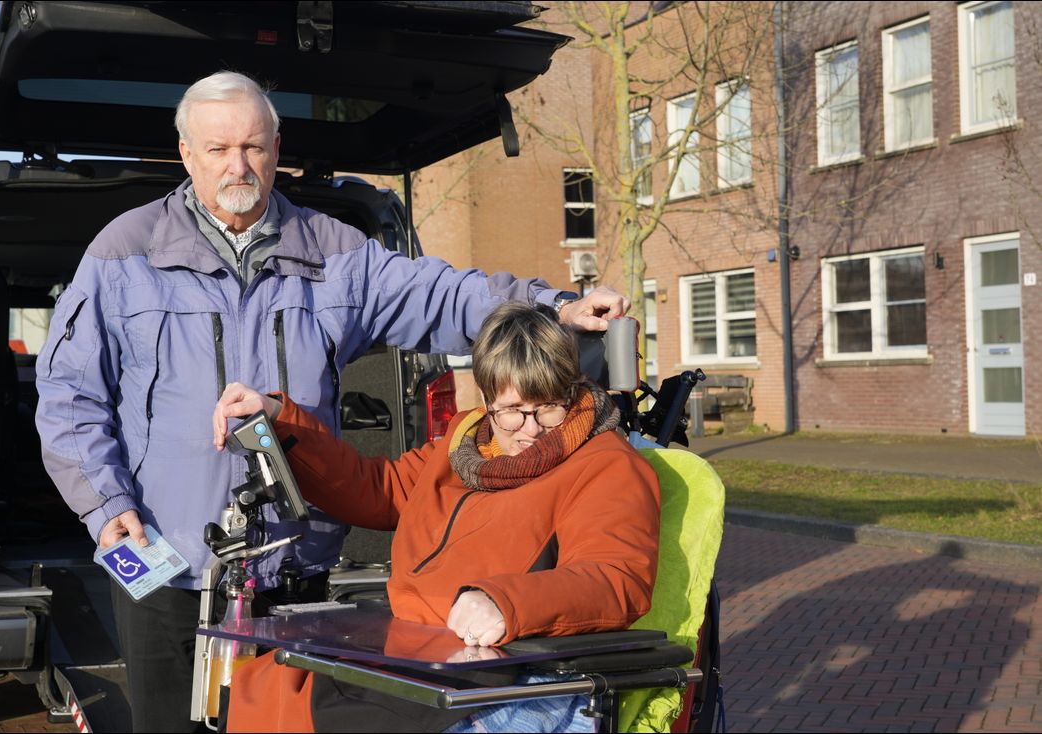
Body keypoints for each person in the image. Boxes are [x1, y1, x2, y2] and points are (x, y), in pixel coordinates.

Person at [34, 71, 629, 732]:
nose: (238, 165)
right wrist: (105, 502)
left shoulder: (334, 252)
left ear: (276, 147)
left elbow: (442, 294)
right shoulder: (124, 253)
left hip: (294, 568)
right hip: (166, 564)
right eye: (219, 149)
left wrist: (553, 305)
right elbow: (69, 395)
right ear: (186, 154)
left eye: (253, 147)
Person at [211, 302, 661, 732]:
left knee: (305, 708)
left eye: (547, 407)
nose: (530, 430)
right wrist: (280, 420)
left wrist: (507, 603)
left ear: (572, 389)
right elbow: (379, 489)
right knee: (263, 686)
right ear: (486, 399)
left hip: (501, 665)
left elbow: (615, 577)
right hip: (413, 651)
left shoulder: (604, 465)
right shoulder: (463, 442)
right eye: (512, 411)